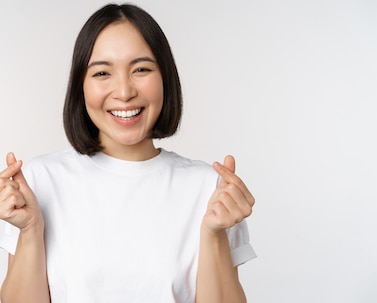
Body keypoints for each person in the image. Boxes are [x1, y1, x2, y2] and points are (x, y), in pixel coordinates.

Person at [0, 3, 256, 302]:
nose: (123, 91)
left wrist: (213, 235)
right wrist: (31, 230)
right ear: (80, 86)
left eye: (141, 69)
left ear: (165, 78)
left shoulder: (209, 190)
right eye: (102, 73)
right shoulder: (40, 181)